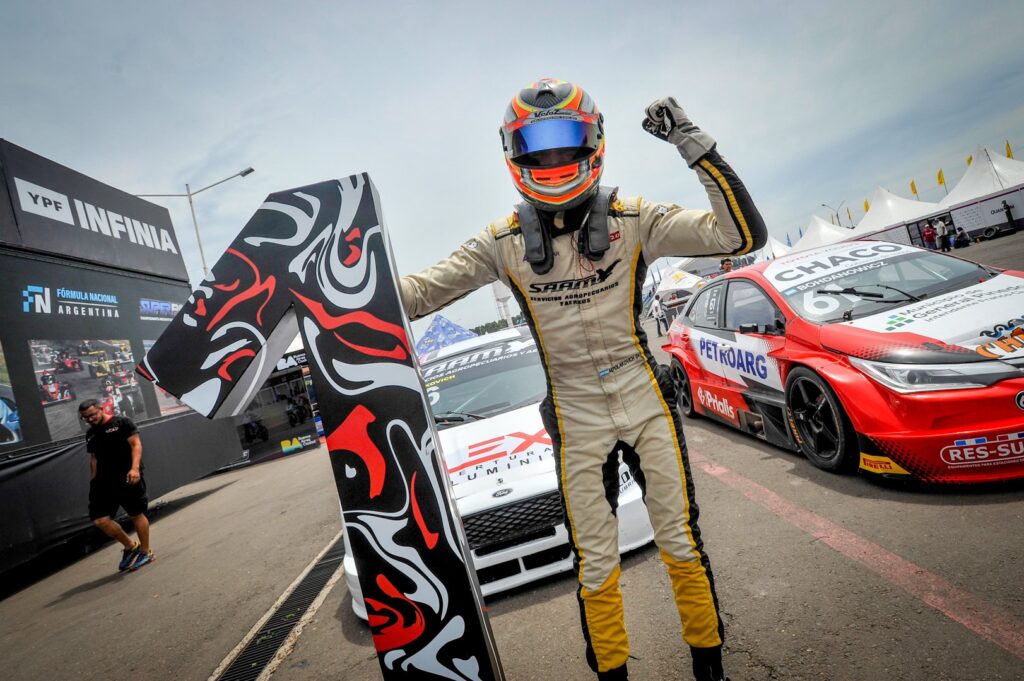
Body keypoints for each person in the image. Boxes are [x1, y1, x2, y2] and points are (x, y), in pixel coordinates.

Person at [399, 78, 766, 681]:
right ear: (513, 154)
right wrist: (331, 284)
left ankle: (711, 674)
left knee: (680, 543)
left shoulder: (636, 217)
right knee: (595, 566)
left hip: (645, 398)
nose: (552, 161)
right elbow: (414, 295)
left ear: (593, 142)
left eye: (565, 143)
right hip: (574, 412)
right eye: (536, 149)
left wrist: (692, 143)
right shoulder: (501, 242)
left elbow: (741, 237)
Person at [79, 399, 153, 572]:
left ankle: (145, 551)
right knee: (100, 520)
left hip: (128, 476)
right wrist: (94, 480)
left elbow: (136, 444)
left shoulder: (122, 423)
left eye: (92, 414)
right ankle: (130, 546)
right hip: (103, 482)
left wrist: (134, 468)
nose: (90, 419)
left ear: (101, 409)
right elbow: (94, 458)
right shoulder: (91, 433)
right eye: (86, 418)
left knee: (136, 514)